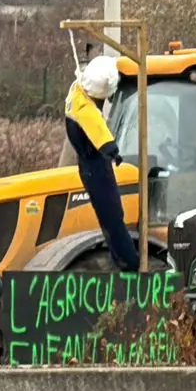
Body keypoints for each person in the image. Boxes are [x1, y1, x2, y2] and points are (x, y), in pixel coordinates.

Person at [63, 53, 140, 272]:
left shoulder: (77, 91)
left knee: (109, 218)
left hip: (85, 162)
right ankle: (130, 262)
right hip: (95, 165)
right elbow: (99, 131)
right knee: (113, 217)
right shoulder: (87, 113)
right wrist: (113, 151)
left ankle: (124, 258)